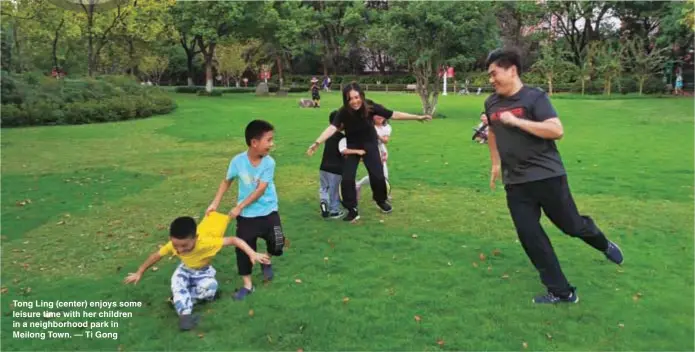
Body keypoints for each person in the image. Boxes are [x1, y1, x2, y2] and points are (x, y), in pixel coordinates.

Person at [482, 48, 624, 304]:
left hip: (547, 176)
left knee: (572, 226)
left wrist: (517, 122)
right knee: (529, 235)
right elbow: (492, 131)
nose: (491, 79)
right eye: (489, 75)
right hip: (515, 181)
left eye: (495, 73)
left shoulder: (534, 97)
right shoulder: (491, 102)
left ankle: (603, 244)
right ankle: (561, 291)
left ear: (512, 69)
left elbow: (556, 130)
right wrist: (495, 164)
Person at [306, 82, 431, 222]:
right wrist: (317, 142)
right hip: (353, 146)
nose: (354, 101)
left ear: (362, 96)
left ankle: (381, 200)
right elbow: (332, 128)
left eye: (356, 97)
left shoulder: (370, 106)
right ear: (346, 100)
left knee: (377, 176)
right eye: (350, 99)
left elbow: (393, 114)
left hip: (370, 145)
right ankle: (352, 209)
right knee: (347, 178)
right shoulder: (343, 112)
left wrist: (417, 117)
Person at [124, 212, 269, 330]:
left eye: (184, 245)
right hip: (185, 270)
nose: (179, 250)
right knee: (177, 282)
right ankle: (185, 317)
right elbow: (156, 256)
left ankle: (179, 299)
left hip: (203, 272)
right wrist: (140, 272)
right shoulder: (172, 246)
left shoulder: (206, 242)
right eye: (176, 245)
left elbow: (234, 240)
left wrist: (252, 253)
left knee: (210, 288)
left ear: (196, 238)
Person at [206, 120, 287, 301]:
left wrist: (239, 206)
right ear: (254, 142)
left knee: (278, 242)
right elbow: (227, 181)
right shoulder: (237, 161)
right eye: (269, 140)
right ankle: (247, 286)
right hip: (247, 217)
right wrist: (214, 203)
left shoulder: (269, 163)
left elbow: (260, 190)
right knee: (243, 251)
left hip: (268, 211)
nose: (272, 144)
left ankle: (266, 260)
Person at [318, 111, 348, 219]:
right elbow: (344, 153)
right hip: (336, 169)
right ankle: (334, 211)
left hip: (324, 167)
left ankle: (324, 202)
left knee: (324, 188)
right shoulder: (343, 138)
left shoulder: (328, 136)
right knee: (334, 190)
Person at [356, 114, 391, 199]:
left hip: (381, 150)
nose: (380, 117)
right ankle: (381, 194)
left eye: (382, 115)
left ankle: (359, 185)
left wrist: (377, 135)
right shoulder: (368, 127)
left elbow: (385, 141)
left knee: (382, 175)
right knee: (379, 175)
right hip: (371, 151)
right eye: (377, 116)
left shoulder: (386, 127)